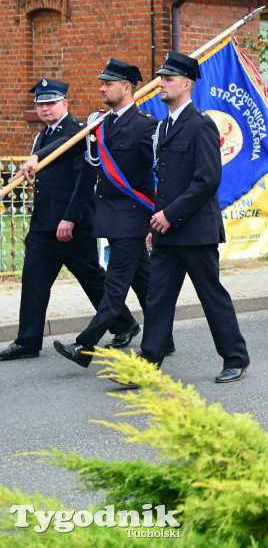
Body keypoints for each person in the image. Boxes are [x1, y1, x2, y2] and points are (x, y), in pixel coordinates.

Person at [0, 80, 138, 361]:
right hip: (43, 225)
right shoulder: (42, 136)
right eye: (40, 104)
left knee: (91, 277)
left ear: (65, 103)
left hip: (71, 224)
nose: (45, 108)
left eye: (51, 103)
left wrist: (69, 219)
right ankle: (27, 340)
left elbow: (84, 181)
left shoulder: (78, 133)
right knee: (33, 280)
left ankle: (125, 324)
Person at [138, 52, 250, 384]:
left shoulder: (201, 125)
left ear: (187, 84)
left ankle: (235, 357)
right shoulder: (163, 126)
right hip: (167, 231)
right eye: (161, 77)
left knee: (210, 295)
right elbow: (166, 181)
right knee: (157, 297)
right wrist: (156, 223)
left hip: (196, 230)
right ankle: (148, 361)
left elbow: (207, 179)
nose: (162, 83)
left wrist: (170, 215)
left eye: (169, 78)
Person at [52, 58, 169, 369]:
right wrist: (38, 156)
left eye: (108, 83)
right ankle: (164, 339)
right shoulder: (102, 122)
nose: (101, 88)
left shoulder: (145, 126)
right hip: (113, 218)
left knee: (114, 287)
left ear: (127, 88)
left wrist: (156, 220)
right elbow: (73, 144)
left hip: (133, 218)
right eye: (102, 83)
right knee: (144, 282)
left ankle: (84, 346)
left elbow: (160, 175)